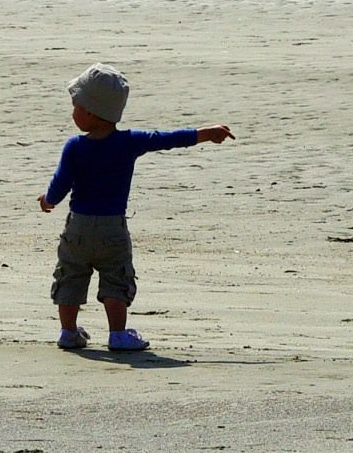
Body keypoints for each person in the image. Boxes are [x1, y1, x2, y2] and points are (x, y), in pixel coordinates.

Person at [37, 62, 233, 352]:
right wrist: (206, 133)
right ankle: (117, 334)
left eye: (75, 105)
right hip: (112, 228)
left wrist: (48, 200)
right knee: (116, 277)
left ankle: (68, 332)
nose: (72, 111)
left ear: (90, 112)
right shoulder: (129, 142)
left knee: (71, 275)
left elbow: (60, 183)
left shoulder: (74, 146)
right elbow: (167, 139)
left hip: (77, 227)